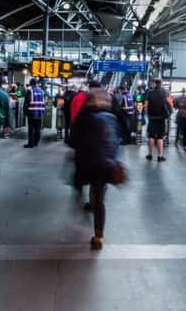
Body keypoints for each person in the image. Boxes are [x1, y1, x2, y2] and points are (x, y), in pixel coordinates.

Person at [71, 88, 121, 250]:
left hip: (88, 162)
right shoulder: (112, 118)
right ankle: (99, 236)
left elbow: (73, 140)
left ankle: (84, 205)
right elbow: (118, 140)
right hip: (107, 163)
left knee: (82, 186)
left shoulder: (85, 117)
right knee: (99, 198)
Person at [144, 79, 171, 162]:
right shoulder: (165, 93)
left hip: (152, 117)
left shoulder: (149, 92)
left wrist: (148, 114)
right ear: (161, 84)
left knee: (151, 136)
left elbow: (146, 105)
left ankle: (150, 155)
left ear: (155, 84)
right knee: (160, 137)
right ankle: (160, 156)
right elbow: (170, 104)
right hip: (161, 118)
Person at [23, 78, 45, 148]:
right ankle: (36, 142)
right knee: (38, 129)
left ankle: (31, 144)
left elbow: (26, 103)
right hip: (40, 113)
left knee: (31, 129)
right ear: (36, 83)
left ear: (30, 84)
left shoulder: (30, 91)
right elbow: (44, 103)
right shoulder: (42, 91)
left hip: (32, 113)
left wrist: (25, 112)